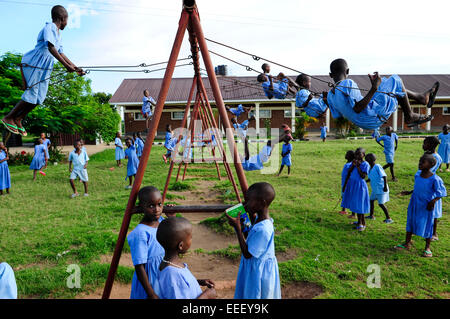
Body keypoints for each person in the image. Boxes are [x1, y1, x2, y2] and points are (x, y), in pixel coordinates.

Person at [1, 5, 84, 136]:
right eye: (67, 20)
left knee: (40, 98)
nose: (67, 23)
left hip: (45, 67)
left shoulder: (58, 34)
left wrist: (75, 67)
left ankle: (18, 118)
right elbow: (51, 47)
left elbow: (61, 53)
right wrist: (66, 66)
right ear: (62, 18)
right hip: (35, 62)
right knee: (32, 92)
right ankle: (9, 117)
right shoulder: (49, 27)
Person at [326, 58, 439, 131]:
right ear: (347, 71)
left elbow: (338, 116)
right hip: (372, 116)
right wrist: (373, 88)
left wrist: (330, 102)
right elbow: (357, 108)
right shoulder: (348, 83)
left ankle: (421, 97)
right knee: (396, 80)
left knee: (384, 83)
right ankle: (410, 115)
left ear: (331, 75)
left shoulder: (331, 95)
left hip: (364, 122)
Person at [225, 182, 281, 299]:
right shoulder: (259, 220)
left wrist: (238, 229)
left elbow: (247, 254)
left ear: (262, 203)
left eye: (250, 200)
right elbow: (250, 237)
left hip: (259, 273)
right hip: (255, 268)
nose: (247, 203)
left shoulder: (264, 229)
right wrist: (243, 224)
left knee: (257, 295)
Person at [127, 186, 175, 299]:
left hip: (163, 274)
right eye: (151, 206)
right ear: (141, 207)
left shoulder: (162, 221)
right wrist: (151, 293)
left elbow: (173, 237)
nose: (157, 209)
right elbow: (139, 267)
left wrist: (171, 218)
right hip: (150, 281)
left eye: (159, 204)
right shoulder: (140, 233)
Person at [396, 154, 446, 257]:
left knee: (428, 224)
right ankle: (407, 242)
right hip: (415, 202)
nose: (420, 163)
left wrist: (433, 201)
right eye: (420, 161)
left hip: (426, 205)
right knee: (411, 220)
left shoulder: (435, 179)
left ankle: (427, 247)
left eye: (423, 162)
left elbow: (441, 192)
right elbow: (419, 187)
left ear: (431, 164)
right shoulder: (418, 174)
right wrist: (410, 192)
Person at [156, 217, 217, 299]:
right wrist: (206, 296)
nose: (191, 239)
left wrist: (198, 282)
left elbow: (181, 286)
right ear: (181, 245)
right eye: (190, 237)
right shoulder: (171, 273)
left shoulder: (173, 264)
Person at [342, 148, 370, 231]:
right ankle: (358, 221)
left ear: (363, 155)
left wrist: (358, 166)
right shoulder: (354, 162)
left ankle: (362, 223)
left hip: (360, 186)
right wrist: (353, 165)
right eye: (356, 154)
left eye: (359, 154)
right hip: (353, 185)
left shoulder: (365, 164)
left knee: (360, 204)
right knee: (356, 204)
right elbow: (349, 172)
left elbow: (363, 176)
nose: (357, 156)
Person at [365, 153, 393, 223]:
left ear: (372, 160)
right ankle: (371, 215)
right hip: (375, 189)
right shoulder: (369, 168)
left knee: (381, 204)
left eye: (368, 159)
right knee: (371, 200)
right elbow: (371, 178)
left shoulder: (377, 166)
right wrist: (364, 181)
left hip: (381, 189)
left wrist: (385, 186)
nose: (367, 161)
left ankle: (389, 218)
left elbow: (384, 176)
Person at [339, 150, 355, 217]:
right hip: (344, 182)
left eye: (347, 154)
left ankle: (353, 213)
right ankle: (343, 210)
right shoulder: (348, 164)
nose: (345, 155)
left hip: (348, 183)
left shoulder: (349, 165)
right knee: (344, 196)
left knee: (350, 197)